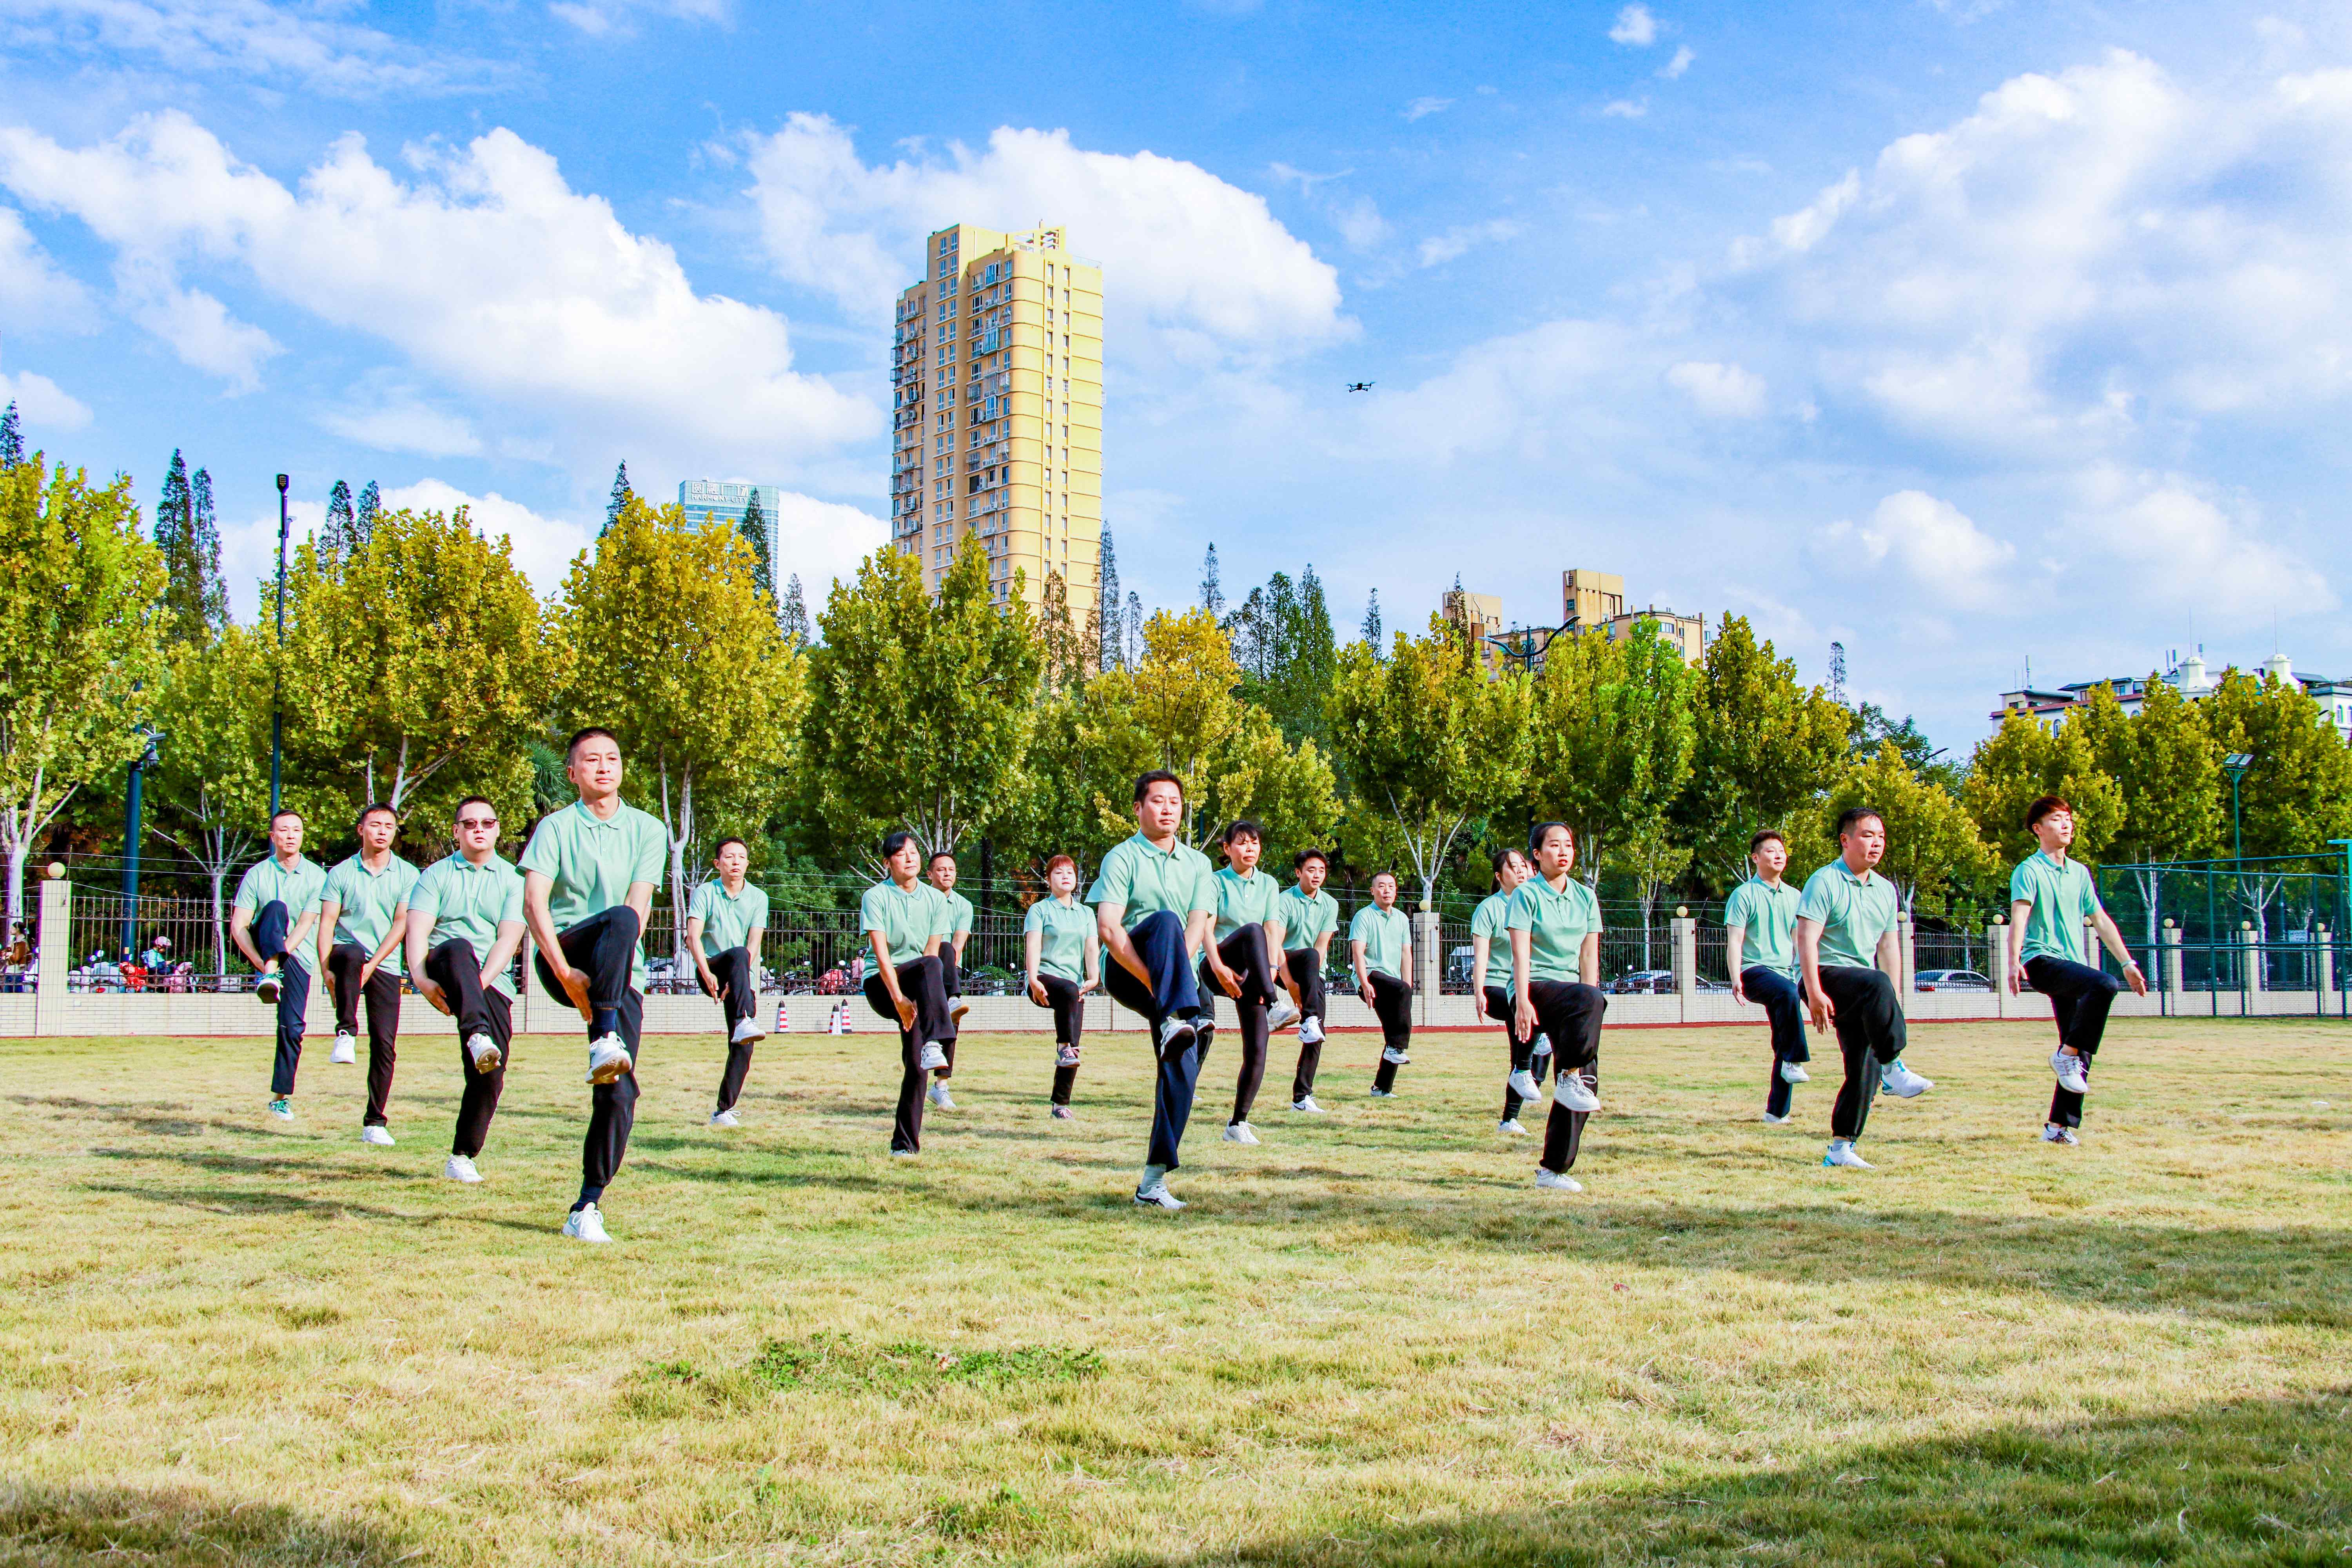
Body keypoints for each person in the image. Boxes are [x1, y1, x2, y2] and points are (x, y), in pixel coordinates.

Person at [519, 727, 667, 1244]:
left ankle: (586, 1206)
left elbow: (639, 907)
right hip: (566, 955)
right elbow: (533, 904)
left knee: (620, 1092)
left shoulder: (648, 829)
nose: (604, 767)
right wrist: (565, 973)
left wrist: (605, 980)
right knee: (619, 919)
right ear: (572, 773)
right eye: (591, 760)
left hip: (620, 969)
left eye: (612, 759)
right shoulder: (555, 828)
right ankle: (605, 1035)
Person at [1087, 769, 1218, 1211]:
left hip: (1180, 976)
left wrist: (1175, 977)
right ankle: (1174, 1019)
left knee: (1183, 1062)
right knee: (1165, 921)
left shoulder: (1199, 864)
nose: (1167, 809)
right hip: (1128, 968)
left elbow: (1198, 925)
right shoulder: (1121, 857)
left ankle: (1153, 1181)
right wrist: (1160, 984)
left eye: (1175, 802)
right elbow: (1109, 928)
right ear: (1138, 808)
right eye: (1158, 801)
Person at [1795, 806, 1935, 1171]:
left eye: (1881, 837)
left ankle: (1841, 1148)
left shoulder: (1886, 890)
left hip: (1865, 987)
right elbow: (1806, 940)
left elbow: (1889, 948)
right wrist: (1814, 992)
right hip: (1823, 975)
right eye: (1868, 835)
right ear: (1846, 840)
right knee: (1877, 984)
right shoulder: (1824, 881)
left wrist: (1892, 1004)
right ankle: (1894, 1067)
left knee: (1863, 1064)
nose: (1877, 843)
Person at [2007, 794, 2147, 1145]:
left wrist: (2128, 963)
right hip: (2041, 961)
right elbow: (2019, 917)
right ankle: (2064, 1056)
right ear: (2038, 829)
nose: (2066, 824)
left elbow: (2101, 920)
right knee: (2104, 985)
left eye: (2068, 818)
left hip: (2072, 965)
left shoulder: (2080, 873)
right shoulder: (2029, 870)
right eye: (2057, 819)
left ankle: (2058, 1128)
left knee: (2080, 1047)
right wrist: (2013, 960)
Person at [404, 797, 526, 1185]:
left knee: (491, 1072)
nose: (479, 830)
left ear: (497, 829)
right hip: (446, 968)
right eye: (470, 824)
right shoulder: (434, 876)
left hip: (491, 981)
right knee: (458, 946)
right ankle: (476, 1032)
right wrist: (421, 981)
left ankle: (462, 1156)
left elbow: (508, 939)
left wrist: (478, 983)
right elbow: (417, 932)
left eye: (487, 823)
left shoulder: (514, 879)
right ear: (457, 831)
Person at [1510, 823, 1609, 1191]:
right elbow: (1521, 954)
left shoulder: (1586, 897)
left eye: (1568, 845)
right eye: (1554, 845)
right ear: (1537, 854)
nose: (1563, 851)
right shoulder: (1526, 895)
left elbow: (1589, 957)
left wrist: (1590, 1007)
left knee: (1587, 1082)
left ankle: (1553, 1171)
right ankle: (1565, 1075)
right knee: (1589, 1000)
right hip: (1533, 987)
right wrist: (1522, 1001)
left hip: (1572, 997)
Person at [318, 803, 417, 1146]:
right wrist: (326, 970)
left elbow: (402, 923)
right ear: (361, 830)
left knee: (385, 1045)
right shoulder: (341, 873)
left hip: (384, 963)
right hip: (346, 954)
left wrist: (373, 964)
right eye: (375, 825)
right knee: (351, 953)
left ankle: (375, 1122)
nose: (382, 832)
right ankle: (345, 1031)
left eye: (389, 826)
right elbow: (327, 922)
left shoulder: (408, 874)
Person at [860, 830, 959, 1155]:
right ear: (888, 863)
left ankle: (904, 1146)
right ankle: (937, 1039)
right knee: (930, 964)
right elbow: (882, 956)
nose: (910, 858)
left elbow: (931, 954)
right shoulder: (876, 897)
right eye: (901, 854)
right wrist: (899, 1000)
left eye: (914, 852)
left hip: (920, 984)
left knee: (917, 1067)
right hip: (883, 983)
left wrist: (916, 999)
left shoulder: (935, 900)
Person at [1202, 819, 1300, 1146]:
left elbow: (1274, 931)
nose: (1250, 848)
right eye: (1242, 843)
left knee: (1258, 1051)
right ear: (1227, 848)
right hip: (1218, 965)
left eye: (1255, 843)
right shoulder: (1215, 881)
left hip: (1253, 974)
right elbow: (1207, 928)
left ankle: (1237, 1124)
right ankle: (1274, 1005)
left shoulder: (1269, 884)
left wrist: (1270, 971)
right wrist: (1217, 966)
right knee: (1251, 931)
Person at [230, 810, 327, 1123]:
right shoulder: (257, 874)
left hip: (298, 955)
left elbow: (306, 924)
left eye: (297, 830)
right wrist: (263, 964)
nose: (291, 835)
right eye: (284, 830)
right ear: (273, 837)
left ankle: (280, 1098)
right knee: (275, 908)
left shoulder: (317, 877)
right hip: (263, 950)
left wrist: (280, 958)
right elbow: (239, 926)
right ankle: (269, 976)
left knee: (293, 1027)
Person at [1725, 828, 1811, 1125]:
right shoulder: (1743, 895)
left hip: (1784, 976)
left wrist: (1807, 977)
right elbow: (1735, 940)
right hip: (1753, 971)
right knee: (1788, 994)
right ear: (1756, 858)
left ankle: (1776, 1113)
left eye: (1782, 851)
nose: (1778, 856)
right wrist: (1735, 978)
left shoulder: (1795, 896)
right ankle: (1794, 1060)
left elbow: (1799, 942)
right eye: (1771, 851)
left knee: (1783, 1038)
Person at [689, 837, 771, 1129]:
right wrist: (707, 973)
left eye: (741, 857)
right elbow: (692, 936)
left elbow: (754, 943)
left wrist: (738, 982)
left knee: (744, 1045)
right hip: (712, 967)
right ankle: (746, 1019)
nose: (736, 862)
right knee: (737, 953)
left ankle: (724, 1111)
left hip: (743, 974)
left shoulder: (759, 898)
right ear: (717, 863)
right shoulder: (705, 892)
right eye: (729, 857)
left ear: (747, 863)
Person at [1472, 846, 1548, 1134]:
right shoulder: (1489, 909)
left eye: (1523, 866)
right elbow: (1481, 955)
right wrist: (1478, 991)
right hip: (1496, 987)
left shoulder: (1535, 903)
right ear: (1499, 875)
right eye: (1512, 866)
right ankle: (1536, 1047)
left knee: (1522, 1049)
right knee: (1530, 1026)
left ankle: (1509, 1120)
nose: (1520, 871)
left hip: (1525, 987)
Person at [1023, 854, 1100, 1119]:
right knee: (1068, 992)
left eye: (1070, 872)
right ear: (1048, 880)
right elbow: (1033, 945)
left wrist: (1094, 977)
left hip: (1073, 987)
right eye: (1058, 873)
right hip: (1044, 979)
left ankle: (1060, 1106)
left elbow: (1092, 947)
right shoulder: (1039, 910)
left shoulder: (1086, 913)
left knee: (1074, 1050)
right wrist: (1033, 979)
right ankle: (1063, 1046)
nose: (1066, 876)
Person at [1275, 848, 1340, 1113]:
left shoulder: (1330, 904)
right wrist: (1292, 986)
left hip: (1313, 969)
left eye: (1321, 871)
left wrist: (1312, 980)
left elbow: (1322, 947)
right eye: (1311, 870)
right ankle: (1309, 1020)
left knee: (1317, 1032)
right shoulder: (1284, 900)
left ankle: (1302, 1099)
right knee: (1310, 955)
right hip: (1285, 964)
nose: (1317, 875)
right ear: (1298, 872)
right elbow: (1275, 946)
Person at [1351, 872, 1414, 1097]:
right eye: (1381, 886)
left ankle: (1381, 1088)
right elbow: (1358, 953)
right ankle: (1396, 1048)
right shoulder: (1364, 916)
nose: (1387, 890)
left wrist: (1407, 989)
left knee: (1394, 1032)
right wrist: (1364, 983)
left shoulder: (1402, 919)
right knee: (1396, 1039)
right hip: (1371, 976)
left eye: (1391, 886)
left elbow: (1406, 954)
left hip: (1394, 984)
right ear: (1373, 891)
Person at [923, 851, 975, 1108]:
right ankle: (917, 1085)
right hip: (923, 966)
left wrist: (946, 975)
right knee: (922, 1027)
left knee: (950, 1028)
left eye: (951, 870)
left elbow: (958, 944)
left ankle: (941, 1087)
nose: (947, 874)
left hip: (949, 971)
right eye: (941, 869)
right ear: (930, 874)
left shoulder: (964, 906)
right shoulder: (920, 900)